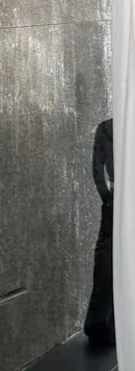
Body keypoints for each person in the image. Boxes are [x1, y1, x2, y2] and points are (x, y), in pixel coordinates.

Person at [84, 117, 115, 347]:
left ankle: (100, 323)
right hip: (116, 202)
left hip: (115, 201)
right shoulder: (107, 127)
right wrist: (108, 198)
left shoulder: (107, 127)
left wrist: (107, 198)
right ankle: (102, 323)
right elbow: (97, 169)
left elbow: (97, 169)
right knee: (107, 259)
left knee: (106, 258)